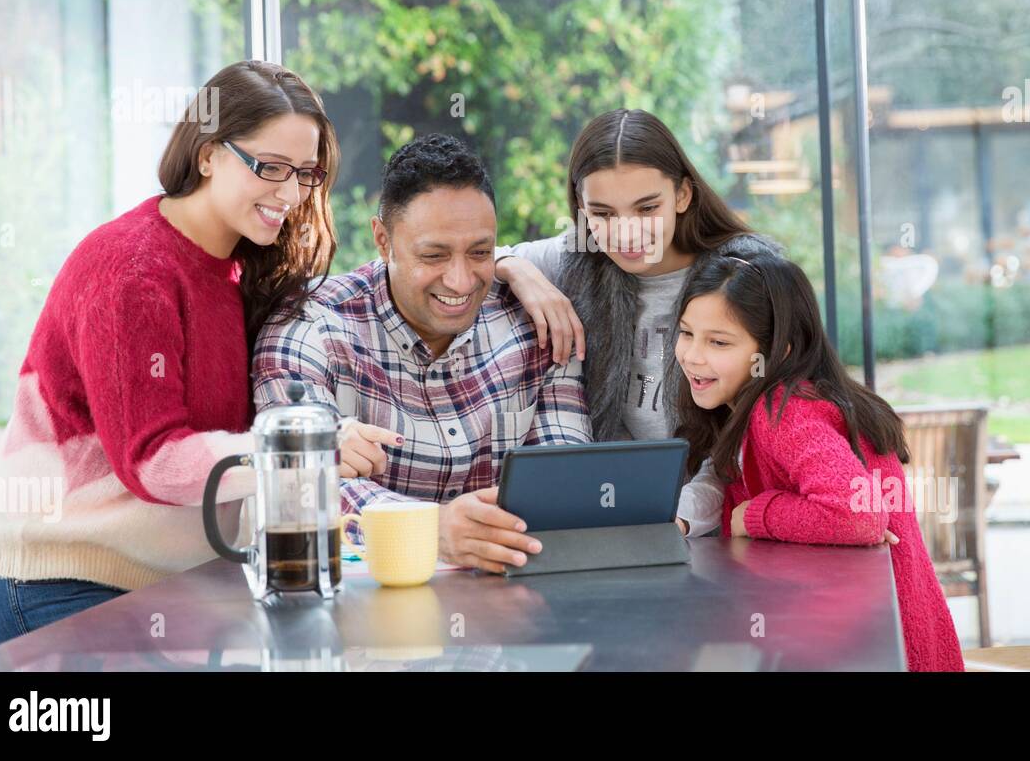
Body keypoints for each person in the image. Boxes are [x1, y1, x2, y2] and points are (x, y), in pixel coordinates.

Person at [0, 60, 339, 645]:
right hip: (62, 578)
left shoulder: (239, 265)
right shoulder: (133, 271)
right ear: (208, 155)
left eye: (305, 173)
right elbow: (153, 463)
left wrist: (509, 267)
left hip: (169, 582)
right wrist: (303, 450)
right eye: (269, 167)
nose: (291, 194)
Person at [253, 134, 592, 575]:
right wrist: (430, 529)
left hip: (513, 601)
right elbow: (298, 483)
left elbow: (565, 473)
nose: (460, 280)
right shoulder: (309, 328)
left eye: (481, 253)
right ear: (382, 239)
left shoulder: (536, 323)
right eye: (434, 255)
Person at [671, 251, 965, 672]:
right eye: (686, 333)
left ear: (776, 352)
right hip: (873, 638)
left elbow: (856, 516)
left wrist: (754, 515)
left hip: (884, 650)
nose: (693, 356)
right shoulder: (760, 406)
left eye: (719, 342)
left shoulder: (784, 409)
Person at [494, 108, 779, 455]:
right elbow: (469, 256)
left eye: (646, 209)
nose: (626, 233)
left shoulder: (745, 273)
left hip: (725, 495)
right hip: (613, 496)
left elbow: (782, 414)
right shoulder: (577, 259)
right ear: (582, 209)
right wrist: (513, 267)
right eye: (603, 213)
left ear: (682, 195)